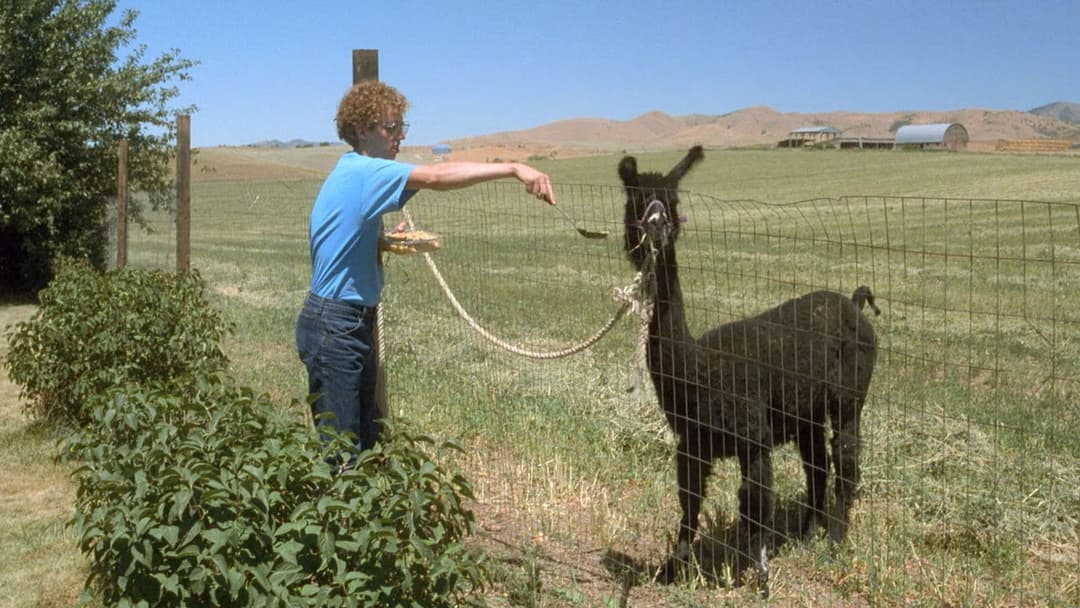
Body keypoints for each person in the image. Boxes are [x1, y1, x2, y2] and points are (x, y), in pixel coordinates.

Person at [296, 80, 557, 454]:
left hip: (341, 318)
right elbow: (436, 177)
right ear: (361, 130)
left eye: (402, 126)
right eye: (390, 128)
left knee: (362, 440)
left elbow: (339, 236)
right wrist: (515, 169)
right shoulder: (366, 171)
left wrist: (383, 241)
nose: (399, 136)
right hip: (336, 322)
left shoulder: (352, 171)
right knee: (341, 450)